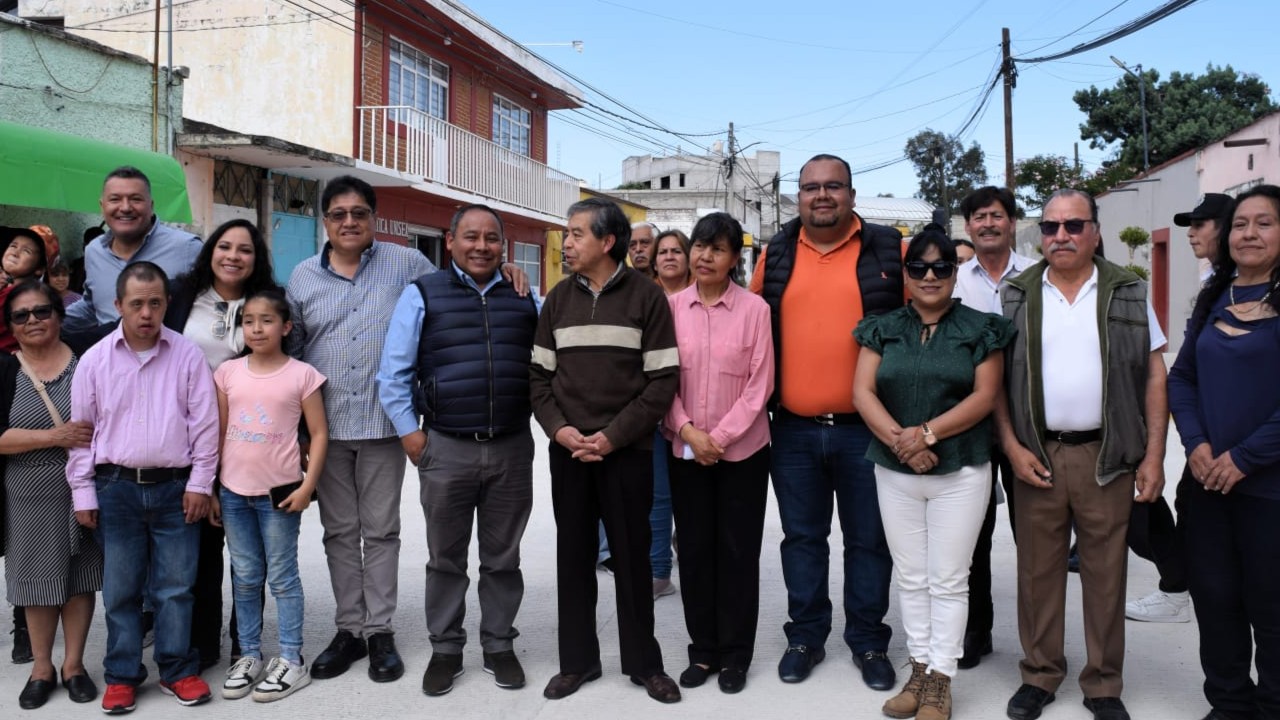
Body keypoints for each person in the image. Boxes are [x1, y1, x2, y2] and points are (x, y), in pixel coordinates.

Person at [287, 175, 527, 684]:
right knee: (340, 533)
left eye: (359, 213)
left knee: (383, 533)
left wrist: (508, 271)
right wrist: (299, 428)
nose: (349, 222)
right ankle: (352, 629)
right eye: (338, 214)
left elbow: (463, 277)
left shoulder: (408, 265)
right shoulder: (303, 277)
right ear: (324, 221)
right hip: (327, 425)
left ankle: (382, 632)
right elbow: (295, 352)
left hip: (381, 428)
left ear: (373, 219)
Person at [997, 189, 1168, 720]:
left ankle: (1103, 684)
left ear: (1095, 230)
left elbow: (1154, 375)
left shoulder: (1128, 291)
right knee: (1037, 573)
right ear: (1040, 235)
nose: (1061, 237)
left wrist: (1154, 456)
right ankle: (1041, 674)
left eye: (1073, 226)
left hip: (1108, 455)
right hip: (1038, 455)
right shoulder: (1016, 294)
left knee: (1105, 574)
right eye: (1050, 227)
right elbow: (995, 381)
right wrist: (1011, 446)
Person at [748, 153, 903, 690]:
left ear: (852, 194)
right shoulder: (777, 253)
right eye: (810, 187)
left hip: (868, 429)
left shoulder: (889, 250)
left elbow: (923, 318)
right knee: (803, 539)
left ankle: (868, 641)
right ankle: (805, 636)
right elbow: (746, 325)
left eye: (833, 186)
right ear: (798, 195)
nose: (821, 195)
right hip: (792, 428)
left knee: (868, 541)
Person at [378, 204, 539, 696]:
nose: (482, 246)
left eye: (492, 238)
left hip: (512, 446)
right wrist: (411, 433)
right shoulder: (422, 293)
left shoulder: (523, 296)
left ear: (503, 246)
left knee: (503, 558)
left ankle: (498, 644)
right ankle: (446, 649)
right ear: (450, 242)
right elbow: (394, 372)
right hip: (446, 447)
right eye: (471, 236)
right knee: (445, 558)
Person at [854, 225, 1014, 720]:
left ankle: (942, 677)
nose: (929, 276)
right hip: (896, 470)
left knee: (948, 578)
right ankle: (918, 667)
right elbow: (863, 392)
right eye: (918, 267)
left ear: (955, 273)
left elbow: (985, 396)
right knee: (911, 576)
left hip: (961, 470)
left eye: (941, 267)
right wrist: (904, 445)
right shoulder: (883, 326)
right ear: (905, 274)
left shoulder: (981, 327)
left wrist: (925, 435)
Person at [531, 197, 682, 704]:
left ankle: (644, 664)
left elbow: (662, 381)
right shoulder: (556, 300)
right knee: (573, 559)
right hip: (569, 451)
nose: (566, 243)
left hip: (627, 452)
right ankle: (577, 663)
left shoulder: (647, 298)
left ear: (607, 241)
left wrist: (614, 436)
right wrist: (560, 430)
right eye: (567, 234)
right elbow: (539, 379)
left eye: (576, 234)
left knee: (633, 560)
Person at [67, 261, 220, 714]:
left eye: (155, 303)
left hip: (176, 490)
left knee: (175, 587)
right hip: (116, 489)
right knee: (121, 590)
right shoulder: (94, 360)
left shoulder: (187, 355)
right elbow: (81, 434)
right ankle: (122, 674)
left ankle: (176, 669)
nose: (147, 313)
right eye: (137, 304)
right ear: (119, 306)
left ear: (166, 304)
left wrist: (200, 484)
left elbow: (205, 427)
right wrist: (83, 493)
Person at [1169, 185, 1280, 720]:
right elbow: (1182, 376)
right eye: (1241, 224)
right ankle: (1230, 704)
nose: (1250, 234)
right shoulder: (1216, 296)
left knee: (1274, 607)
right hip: (1209, 482)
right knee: (1215, 600)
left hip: (1270, 488)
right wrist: (1197, 444)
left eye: (1265, 223)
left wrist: (1243, 458)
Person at [663, 213, 773, 695]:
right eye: (700, 246)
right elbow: (660, 379)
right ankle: (702, 650)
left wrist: (718, 439)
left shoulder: (755, 311)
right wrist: (688, 430)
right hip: (685, 450)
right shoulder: (668, 308)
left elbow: (759, 386)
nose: (705, 256)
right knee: (693, 550)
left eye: (718, 249)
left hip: (743, 454)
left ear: (735, 259)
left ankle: (735, 655)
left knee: (736, 553)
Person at [164, 219, 281, 671]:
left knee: (250, 553)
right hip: (187, 440)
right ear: (211, 251)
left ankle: (244, 641)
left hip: (251, 439)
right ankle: (203, 643)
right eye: (225, 246)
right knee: (200, 549)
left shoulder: (268, 303)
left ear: (257, 259)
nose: (234, 256)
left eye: (245, 250)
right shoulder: (181, 297)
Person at [1124, 194, 1232, 627]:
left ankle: (1180, 589)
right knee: (1159, 514)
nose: (1191, 232)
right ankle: (1178, 586)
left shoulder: (1249, 285)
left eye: (1201, 223)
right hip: (1203, 430)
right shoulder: (1215, 281)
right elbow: (1185, 369)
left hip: (1234, 436)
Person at [215, 288, 327, 703]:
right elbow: (219, 433)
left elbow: (318, 434)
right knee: (244, 578)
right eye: (248, 321)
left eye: (265, 320)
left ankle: (291, 659)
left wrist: (307, 486)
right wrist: (212, 488)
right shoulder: (228, 373)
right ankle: (248, 654)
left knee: (282, 577)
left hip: (279, 496)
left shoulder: (301, 375)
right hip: (232, 492)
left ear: (286, 327)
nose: (256, 328)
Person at [1, 282, 101, 709]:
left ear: (60, 314)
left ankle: (74, 665)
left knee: (80, 579)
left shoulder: (88, 361)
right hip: (27, 491)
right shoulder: (4, 370)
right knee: (35, 584)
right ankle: (42, 666)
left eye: (41, 311)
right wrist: (54, 436)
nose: (33, 321)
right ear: (10, 327)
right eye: (21, 316)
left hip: (84, 489)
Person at [951, 186, 1036, 669]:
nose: (988, 224)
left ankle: (1037, 641)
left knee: (1034, 536)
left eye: (997, 216)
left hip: (1027, 423)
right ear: (968, 227)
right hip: (971, 424)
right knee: (972, 537)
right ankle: (975, 633)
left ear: (1010, 222)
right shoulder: (954, 280)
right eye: (979, 217)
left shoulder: (1038, 277)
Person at [63, 167, 202, 333]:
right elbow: (93, 306)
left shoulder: (187, 248)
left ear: (151, 205)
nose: (126, 207)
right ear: (102, 206)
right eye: (115, 199)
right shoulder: (94, 251)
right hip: (110, 356)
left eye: (136, 199)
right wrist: (45, 320)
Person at [650, 228, 693, 600]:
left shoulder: (702, 298)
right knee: (660, 496)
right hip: (653, 412)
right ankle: (660, 571)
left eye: (676, 250)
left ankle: (690, 554)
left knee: (691, 496)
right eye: (662, 251)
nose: (668, 257)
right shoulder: (646, 299)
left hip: (697, 414)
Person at [0, 226, 59, 353]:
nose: (15, 252)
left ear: (40, 269)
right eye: (13, 246)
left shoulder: (21, 297)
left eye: (26, 251)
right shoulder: (7, 290)